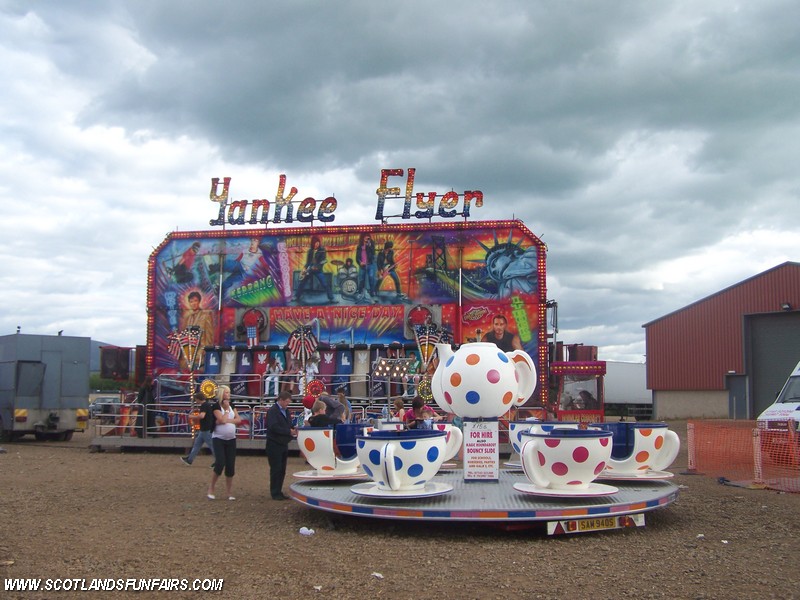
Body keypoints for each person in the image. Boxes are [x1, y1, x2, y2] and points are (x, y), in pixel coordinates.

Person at [207, 385, 242, 500]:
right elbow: (221, 419)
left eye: (229, 392)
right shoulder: (216, 406)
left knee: (230, 465)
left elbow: (238, 419)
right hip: (219, 438)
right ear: (222, 394)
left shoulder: (232, 405)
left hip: (231, 439)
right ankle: (211, 488)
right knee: (220, 462)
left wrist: (227, 420)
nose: (228, 394)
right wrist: (226, 411)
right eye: (227, 392)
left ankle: (229, 492)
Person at [266, 391, 297, 500]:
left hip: (283, 443)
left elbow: (288, 423)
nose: (287, 404)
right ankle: (275, 492)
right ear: (281, 400)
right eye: (287, 402)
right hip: (274, 443)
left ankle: (278, 490)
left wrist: (293, 428)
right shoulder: (273, 411)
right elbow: (273, 427)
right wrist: (288, 431)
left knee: (282, 469)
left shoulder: (286, 411)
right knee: (276, 469)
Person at [179, 291, 215, 370]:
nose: (193, 303)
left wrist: (206, 350)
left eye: (195, 301)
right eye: (191, 301)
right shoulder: (188, 318)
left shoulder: (205, 316)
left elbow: (209, 335)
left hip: (200, 352)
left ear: (199, 301)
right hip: (189, 352)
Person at [181, 391, 217, 467]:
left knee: (212, 446)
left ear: (198, 399)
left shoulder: (204, 405)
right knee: (197, 445)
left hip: (206, 429)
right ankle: (189, 460)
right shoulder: (207, 405)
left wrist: (192, 417)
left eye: (196, 399)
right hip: (204, 429)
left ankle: (218, 461)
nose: (195, 401)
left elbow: (201, 416)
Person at [294, 235, 334, 303]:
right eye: (315, 243)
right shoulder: (310, 251)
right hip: (309, 269)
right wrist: (304, 269)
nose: (317, 244)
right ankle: (297, 296)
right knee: (302, 282)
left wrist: (316, 267)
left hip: (318, 270)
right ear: (313, 243)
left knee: (324, 283)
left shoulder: (322, 250)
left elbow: (323, 261)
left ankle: (331, 298)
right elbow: (308, 262)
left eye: (318, 243)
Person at [354, 233, 377, 302]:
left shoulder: (371, 244)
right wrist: (360, 262)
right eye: (366, 237)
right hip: (362, 265)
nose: (367, 238)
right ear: (363, 237)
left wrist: (369, 245)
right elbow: (357, 257)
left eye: (368, 237)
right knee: (361, 280)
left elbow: (373, 253)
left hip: (370, 264)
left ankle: (372, 293)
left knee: (371, 279)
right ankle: (360, 293)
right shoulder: (359, 246)